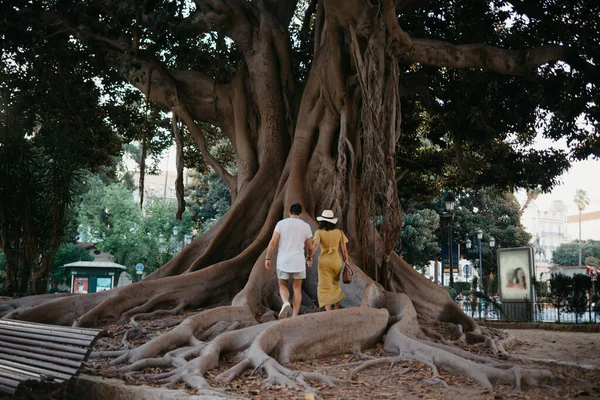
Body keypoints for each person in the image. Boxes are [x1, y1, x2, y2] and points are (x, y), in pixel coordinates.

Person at [265, 203, 313, 319]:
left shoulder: (281, 224)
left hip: (283, 261)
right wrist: (309, 257)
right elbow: (310, 247)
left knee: (282, 285)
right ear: (300, 214)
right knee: (297, 287)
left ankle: (286, 302)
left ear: (289, 213)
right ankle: (295, 315)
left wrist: (267, 257)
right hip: (298, 261)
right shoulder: (305, 226)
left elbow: (273, 241)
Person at [311, 210, 349, 311]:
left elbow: (315, 245)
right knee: (335, 284)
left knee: (324, 286)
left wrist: (309, 256)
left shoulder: (319, 232)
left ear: (322, 221)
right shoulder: (339, 232)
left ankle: (328, 311)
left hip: (324, 261)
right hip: (336, 261)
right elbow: (344, 250)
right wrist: (346, 262)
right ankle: (336, 308)